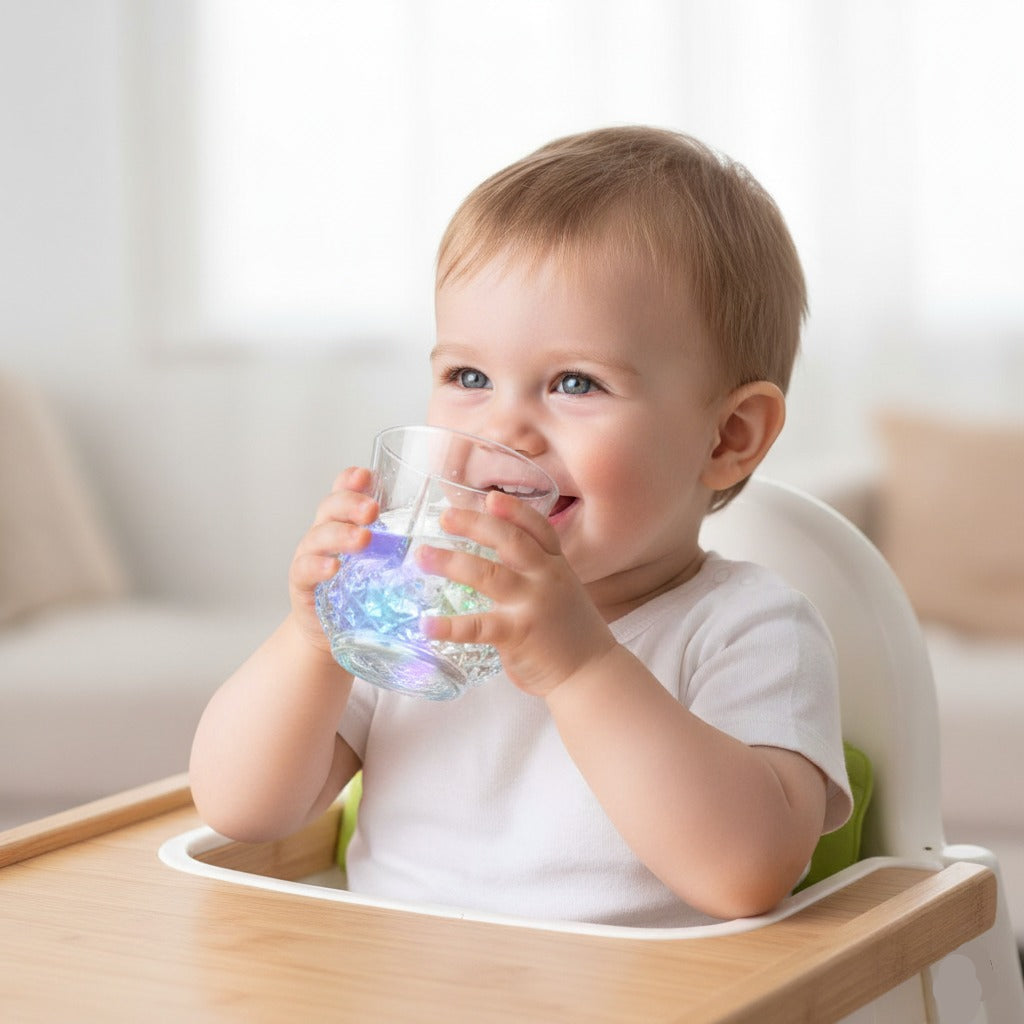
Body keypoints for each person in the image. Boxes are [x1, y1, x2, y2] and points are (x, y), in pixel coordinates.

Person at [190, 125, 852, 928]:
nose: (502, 427)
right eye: (468, 375)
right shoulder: (421, 605)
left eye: (576, 382)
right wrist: (311, 638)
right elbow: (242, 811)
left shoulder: (749, 628)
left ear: (727, 437)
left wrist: (577, 667)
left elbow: (747, 875)